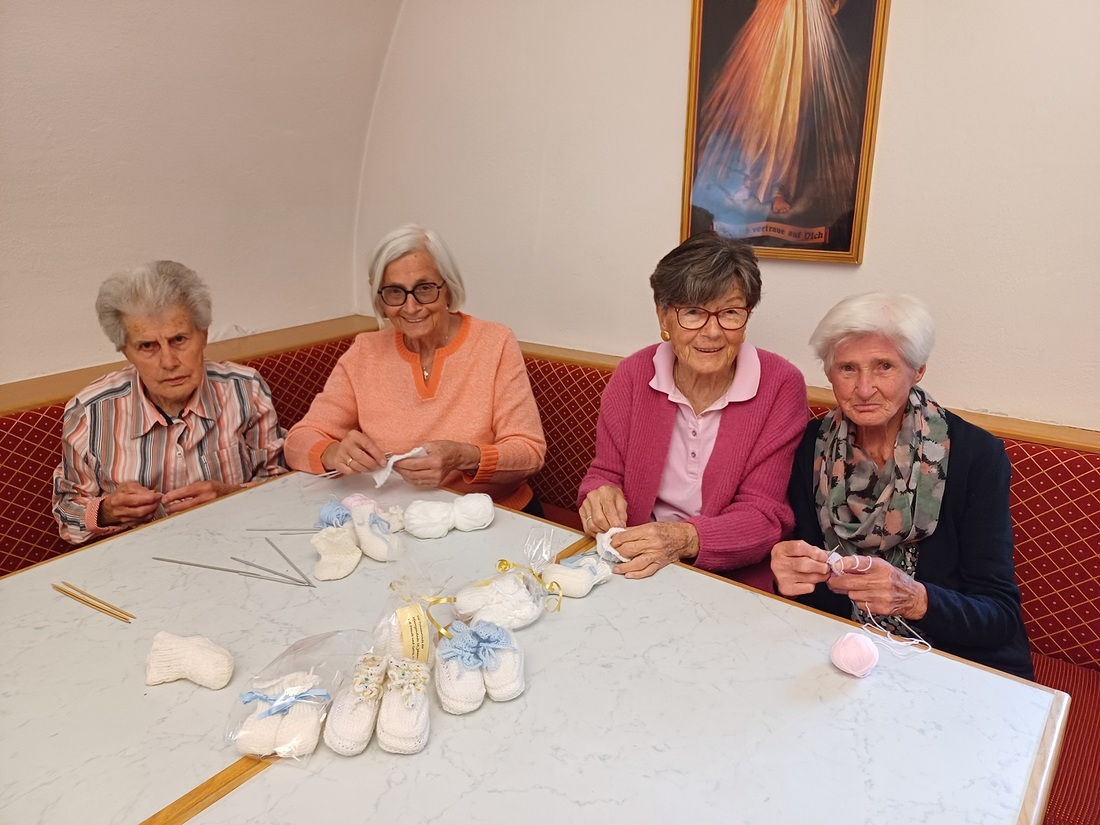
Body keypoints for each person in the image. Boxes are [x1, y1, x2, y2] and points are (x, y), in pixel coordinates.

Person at [770, 293, 1033, 679]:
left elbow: (999, 614)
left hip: (952, 660)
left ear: (918, 370)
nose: (864, 389)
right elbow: (808, 579)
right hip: (843, 649)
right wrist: (787, 572)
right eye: (847, 368)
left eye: (884, 367)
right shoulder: (810, 445)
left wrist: (916, 600)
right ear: (829, 374)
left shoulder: (975, 455)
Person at [577, 231, 808, 585]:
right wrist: (600, 495)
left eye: (730, 312)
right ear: (663, 317)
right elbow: (605, 473)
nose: (712, 332)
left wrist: (684, 539)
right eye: (693, 312)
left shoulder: (780, 385)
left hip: (731, 580)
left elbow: (764, 516)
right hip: (632, 565)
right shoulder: (634, 376)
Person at [284, 225, 546, 513]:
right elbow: (297, 441)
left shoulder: (495, 342)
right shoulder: (365, 351)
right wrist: (333, 453)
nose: (410, 307)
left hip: (495, 513)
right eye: (395, 292)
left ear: (448, 289)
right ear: (381, 300)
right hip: (400, 519)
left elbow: (529, 452)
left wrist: (464, 456)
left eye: (424, 289)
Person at [52, 261, 287, 544]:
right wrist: (107, 511)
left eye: (179, 339)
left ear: (203, 336)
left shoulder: (246, 390)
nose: (169, 362)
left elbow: (283, 484)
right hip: (137, 557)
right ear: (126, 351)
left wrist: (232, 495)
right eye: (147, 346)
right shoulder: (90, 413)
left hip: (240, 541)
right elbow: (67, 514)